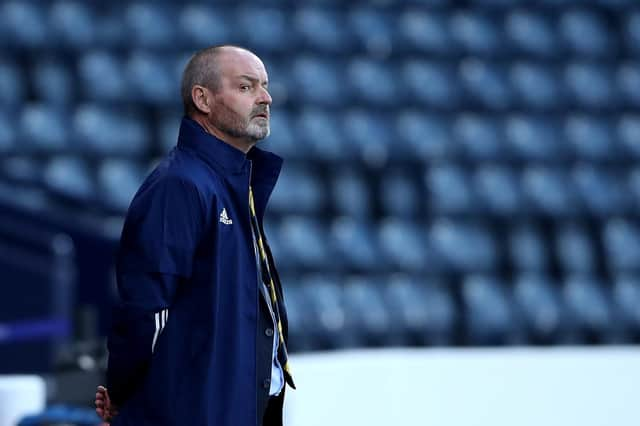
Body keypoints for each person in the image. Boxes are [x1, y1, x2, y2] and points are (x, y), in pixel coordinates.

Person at [94, 45, 295, 426]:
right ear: (202, 99)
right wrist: (122, 392)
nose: (266, 98)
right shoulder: (180, 185)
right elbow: (146, 311)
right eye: (246, 87)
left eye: (265, 87)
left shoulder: (233, 181)